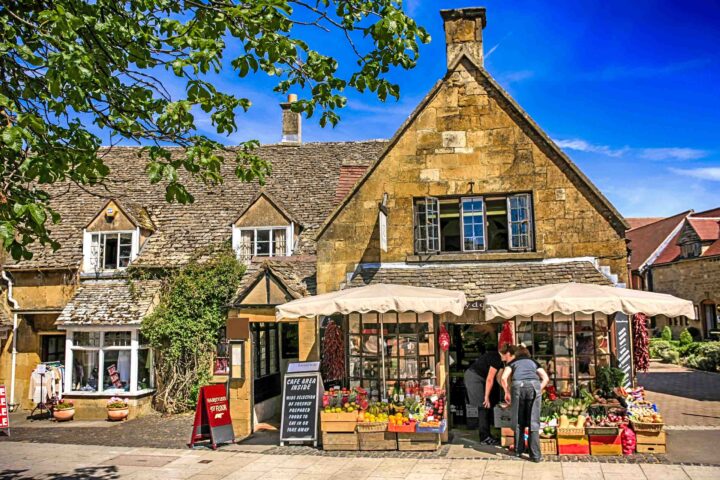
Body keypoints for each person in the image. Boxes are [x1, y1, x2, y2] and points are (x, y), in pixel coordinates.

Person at [501, 345, 550, 462]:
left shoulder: (513, 362)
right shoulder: (533, 362)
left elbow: (503, 378)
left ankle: (519, 450)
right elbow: (546, 378)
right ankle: (536, 455)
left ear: (516, 354)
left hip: (518, 386)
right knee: (533, 421)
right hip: (534, 386)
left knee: (518, 419)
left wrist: (507, 392)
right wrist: (538, 389)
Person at [464, 342, 504, 444]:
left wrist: (506, 390)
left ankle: (487, 434)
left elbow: (499, 377)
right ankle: (484, 437)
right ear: (507, 354)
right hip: (474, 378)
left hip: (480, 379)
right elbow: (490, 379)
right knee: (484, 407)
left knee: (487, 406)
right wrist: (486, 397)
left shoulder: (502, 361)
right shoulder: (496, 358)